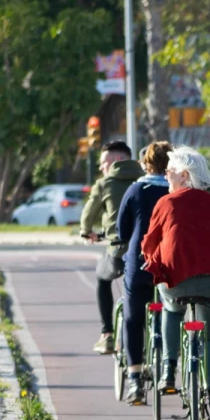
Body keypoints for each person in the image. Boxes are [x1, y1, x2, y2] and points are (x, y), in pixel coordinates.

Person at [141, 146, 210, 420]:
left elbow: (149, 244)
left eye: (170, 171)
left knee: (171, 309)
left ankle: (168, 370)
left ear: (184, 176)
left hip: (177, 281)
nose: (166, 175)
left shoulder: (167, 203)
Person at [115, 140, 173, 404]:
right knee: (174, 312)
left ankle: (135, 379)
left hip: (140, 262)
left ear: (144, 163)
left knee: (133, 318)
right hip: (171, 264)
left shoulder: (136, 189)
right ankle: (170, 369)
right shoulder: (177, 191)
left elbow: (122, 229)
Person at [81, 140, 142, 354]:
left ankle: (107, 334)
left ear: (117, 160)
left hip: (119, 251)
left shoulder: (105, 183)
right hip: (148, 252)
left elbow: (88, 216)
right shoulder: (145, 179)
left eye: (103, 162)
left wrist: (87, 231)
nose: (101, 167)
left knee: (101, 276)